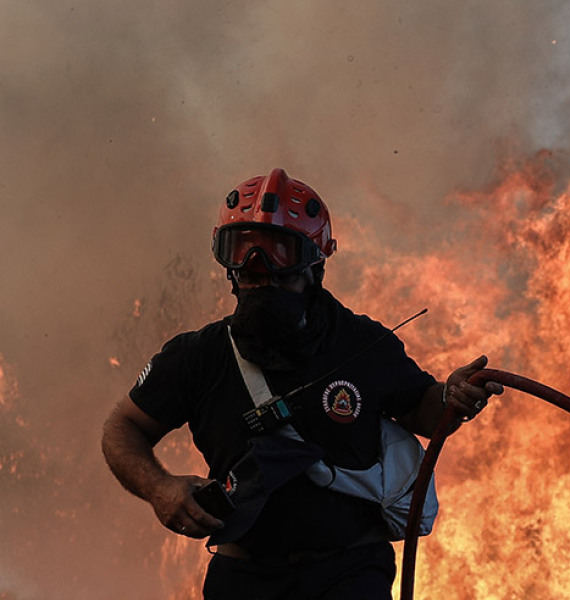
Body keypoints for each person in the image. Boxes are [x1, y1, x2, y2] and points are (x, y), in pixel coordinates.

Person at [101, 168, 502, 600]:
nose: (263, 278)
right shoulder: (197, 356)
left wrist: (450, 396)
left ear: (316, 266)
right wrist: (160, 488)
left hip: (350, 573)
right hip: (245, 577)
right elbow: (122, 428)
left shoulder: (362, 342)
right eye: (249, 264)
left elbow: (422, 409)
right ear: (229, 266)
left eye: (280, 259)